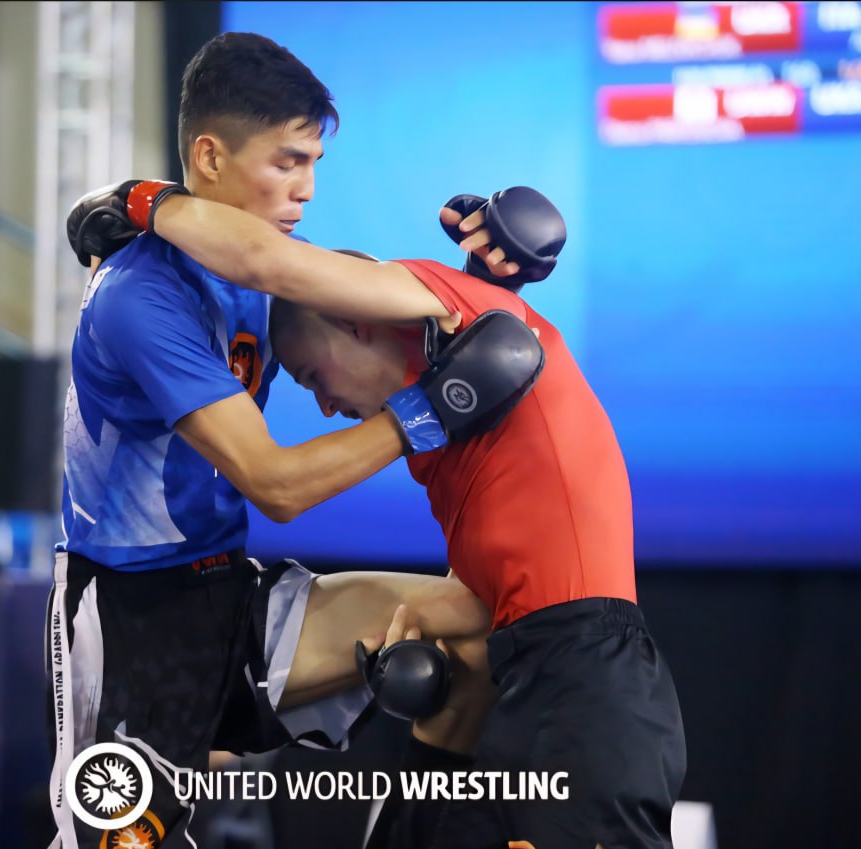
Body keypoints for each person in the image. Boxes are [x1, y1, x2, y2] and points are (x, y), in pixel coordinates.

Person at [49, 32, 540, 849]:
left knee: (472, 635)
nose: (307, 189)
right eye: (287, 161)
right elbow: (273, 483)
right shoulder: (139, 298)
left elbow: (397, 305)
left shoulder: (283, 267)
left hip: (236, 600)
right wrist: (428, 412)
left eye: (314, 163)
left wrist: (482, 280)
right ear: (210, 156)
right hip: (130, 618)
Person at [92, 183, 689, 849]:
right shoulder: (450, 404)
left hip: (587, 682)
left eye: (313, 375)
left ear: (354, 318)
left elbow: (272, 265)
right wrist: (416, 676)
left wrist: (144, 202)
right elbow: (483, 609)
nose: (322, 405)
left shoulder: (462, 314)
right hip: (523, 669)